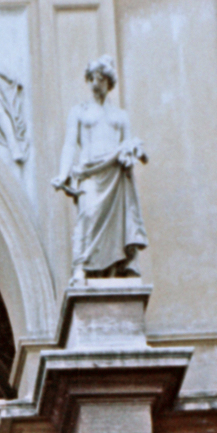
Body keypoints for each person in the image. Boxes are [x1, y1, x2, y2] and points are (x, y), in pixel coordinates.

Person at [52, 55, 148, 284]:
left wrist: (134, 152)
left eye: (103, 78)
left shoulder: (120, 116)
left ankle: (115, 269)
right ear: (89, 79)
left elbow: (128, 142)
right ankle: (81, 267)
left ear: (109, 82)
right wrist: (63, 173)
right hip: (89, 173)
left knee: (117, 225)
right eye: (94, 78)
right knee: (88, 215)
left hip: (115, 174)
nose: (98, 82)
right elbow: (69, 143)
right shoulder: (80, 111)